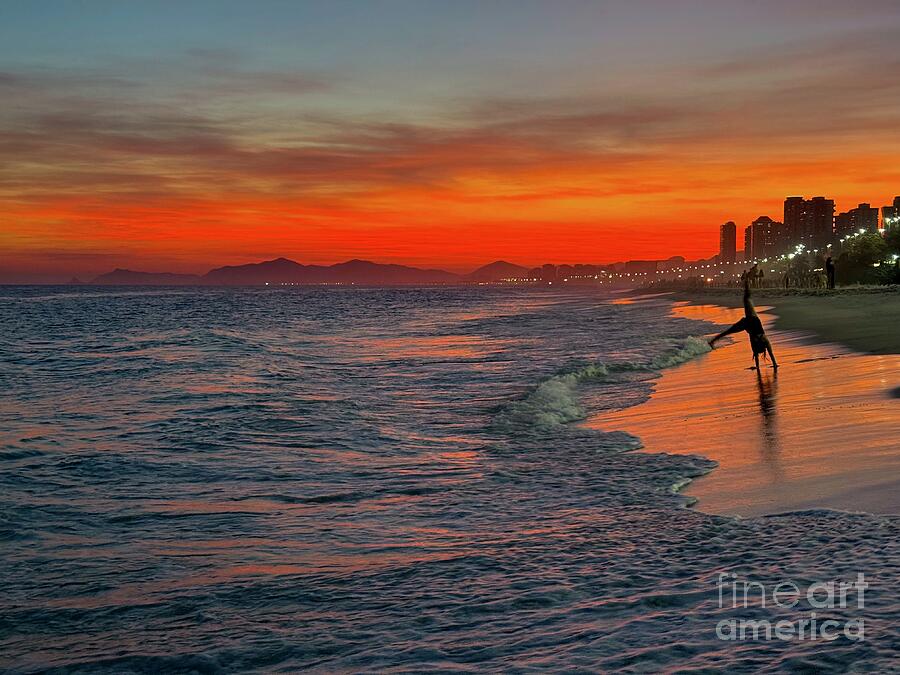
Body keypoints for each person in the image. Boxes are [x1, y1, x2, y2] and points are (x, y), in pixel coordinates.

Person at [708, 276, 779, 370]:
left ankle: (746, 282)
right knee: (746, 300)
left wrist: (773, 364)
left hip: (752, 319)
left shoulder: (764, 339)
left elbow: (770, 355)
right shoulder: (758, 342)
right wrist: (768, 366)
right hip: (748, 324)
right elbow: (763, 355)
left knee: (747, 299)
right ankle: (746, 282)